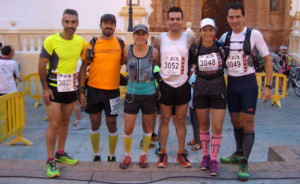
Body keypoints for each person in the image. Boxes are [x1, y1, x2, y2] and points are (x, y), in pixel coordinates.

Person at [218, 3, 273, 181]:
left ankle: (245, 161)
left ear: (243, 16)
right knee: (235, 121)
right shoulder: (224, 37)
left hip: (248, 83)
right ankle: (238, 152)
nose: (235, 20)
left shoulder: (253, 34)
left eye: (238, 16)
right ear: (227, 19)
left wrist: (268, 86)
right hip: (232, 83)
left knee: (248, 123)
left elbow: (267, 59)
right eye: (231, 17)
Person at [38, 9, 86, 178]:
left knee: (65, 121)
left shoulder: (80, 42)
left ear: (77, 23)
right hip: (53, 87)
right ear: (62, 22)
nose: (70, 25)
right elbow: (41, 64)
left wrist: (81, 91)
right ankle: (50, 160)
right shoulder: (52, 40)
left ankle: (60, 153)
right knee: (54, 123)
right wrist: (45, 88)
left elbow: (83, 68)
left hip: (70, 87)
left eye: (73, 22)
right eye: (67, 22)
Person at [79, 14, 126, 163]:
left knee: (112, 123)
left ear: (115, 26)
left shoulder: (120, 43)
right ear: (100, 25)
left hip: (113, 91)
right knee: (95, 122)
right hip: (93, 90)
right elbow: (83, 68)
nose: (108, 26)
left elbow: (126, 61)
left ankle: (112, 156)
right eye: (105, 23)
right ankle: (96, 154)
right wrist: (81, 91)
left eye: (112, 23)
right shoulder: (91, 44)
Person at [154, 6, 195, 168]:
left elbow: (194, 55)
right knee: (164, 120)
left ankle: (181, 153)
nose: (175, 22)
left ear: (182, 20)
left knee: (180, 121)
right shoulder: (159, 38)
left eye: (178, 19)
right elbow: (156, 59)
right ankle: (162, 153)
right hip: (166, 84)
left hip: (182, 84)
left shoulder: (189, 38)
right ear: (167, 20)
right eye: (172, 19)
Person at [119, 24, 159, 169]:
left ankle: (143, 154)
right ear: (133, 36)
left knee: (147, 127)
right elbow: (121, 63)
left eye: (143, 34)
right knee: (128, 128)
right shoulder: (127, 50)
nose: (140, 37)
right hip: (132, 94)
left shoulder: (154, 52)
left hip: (149, 94)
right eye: (138, 34)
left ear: (147, 36)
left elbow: (158, 68)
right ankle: (127, 155)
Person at [191, 18, 226, 176]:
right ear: (200, 31)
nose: (207, 33)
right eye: (204, 30)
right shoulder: (195, 49)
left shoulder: (221, 48)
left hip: (218, 88)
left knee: (217, 127)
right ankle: (205, 156)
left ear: (214, 31)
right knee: (203, 125)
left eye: (210, 29)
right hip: (201, 88)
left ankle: (213, 159)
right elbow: (189, 66)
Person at [71, 59, 87, 130]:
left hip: (75, 85)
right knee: (75, 103)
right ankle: (78, 120)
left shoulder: (77, 61)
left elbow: (78, 74)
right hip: (73, 85)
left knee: (75, 103)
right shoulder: (76, 60)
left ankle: (79, 120)